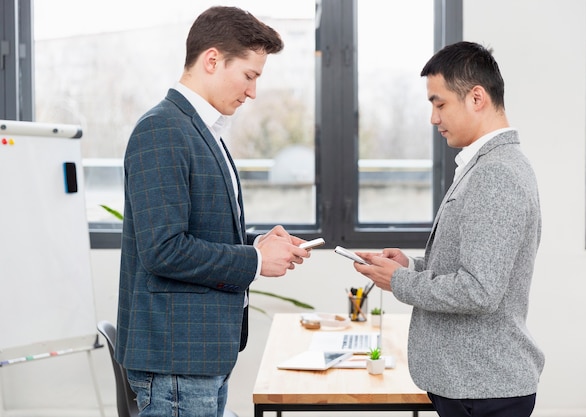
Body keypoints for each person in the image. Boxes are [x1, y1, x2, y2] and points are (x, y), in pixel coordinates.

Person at [115, 6, 311, 417]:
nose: (253, 92)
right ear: (212, 60)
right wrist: (256, 260)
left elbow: (196, 231)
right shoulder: (162, 129)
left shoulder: (203, 130)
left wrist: (255, 244)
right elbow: (164, 250)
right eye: (249, 76)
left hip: (197, 359)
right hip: (176, 360)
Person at [353, 41, 545, 417]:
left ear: (477, 98)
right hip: (474, 383)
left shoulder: (496, 173)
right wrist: (410, 266)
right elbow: (472, 267)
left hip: (483, 386)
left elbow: (479, 291)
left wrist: (400, 282)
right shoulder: (486, 165)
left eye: (439, 104)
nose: (433, 118)